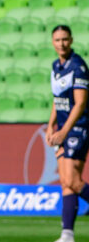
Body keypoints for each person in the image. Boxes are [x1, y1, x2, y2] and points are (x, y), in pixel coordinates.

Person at [48, 25, 89, 242]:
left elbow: (80, 103)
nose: (61, 43)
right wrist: (50, 126)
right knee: (65, 181)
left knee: (73, 181)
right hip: (63, 129)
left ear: (71, 40)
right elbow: (58, 99)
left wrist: (64, 131)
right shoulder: (56, 66)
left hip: (78, 128)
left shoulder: (78, 66)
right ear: (52, 42)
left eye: (65, 39)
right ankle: (67, 235)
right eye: (57, 40)